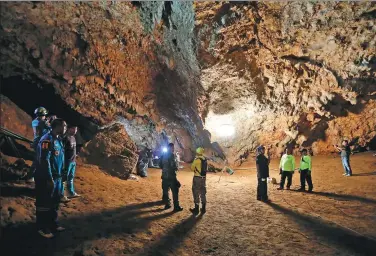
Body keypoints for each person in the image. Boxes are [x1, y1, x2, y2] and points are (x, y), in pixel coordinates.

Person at [35, 118, 67, 238]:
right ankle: (42, 227)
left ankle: (53, 224)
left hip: (57, 177)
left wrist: (62, 174)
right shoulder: (46, 139)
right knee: (44, 202)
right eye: (64, 126)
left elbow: (60, 158)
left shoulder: (58, 140)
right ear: (57, 126)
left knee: (55, 202)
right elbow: (44, 159)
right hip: (46, 177)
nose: (65, 128)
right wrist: (49, 178)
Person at [27, 107, 51, 183]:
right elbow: (51, 128)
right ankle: (30, 176)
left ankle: (34, 176)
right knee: (40, 160)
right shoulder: (43, 122)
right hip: (42, 143)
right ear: (43, 114)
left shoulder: (34, 121)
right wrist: (49, 121)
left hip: (39, 142)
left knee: (41, 159)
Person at [159, 143, 183, 212]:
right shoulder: (172, 155)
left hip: (164, 176)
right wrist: (177, 167)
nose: (173, 149)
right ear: (171, 148)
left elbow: (159, 165)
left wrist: (164, 169)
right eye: (173, 148)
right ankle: (176, 207)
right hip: (171, 177)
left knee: (166, 191)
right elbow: (173, 166)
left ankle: (167, 204)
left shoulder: (163, 155)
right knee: (175, 191)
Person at [63, 125, 80, 198]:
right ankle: (61, 194)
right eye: (73, 129)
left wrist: (75, 155)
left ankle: (71, 193)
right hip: (66, 161)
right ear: (69, 129)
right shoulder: (65, 138)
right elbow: (61, 150)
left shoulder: (73, 138)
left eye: (76, 129)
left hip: (73, 161)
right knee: (63, 178)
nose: (75, 131)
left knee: (70, 178)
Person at [190, 147, 208, 215]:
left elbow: (192, 168)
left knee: (196, 191)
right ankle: (203, 208)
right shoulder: (205, 159)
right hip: (203, 178)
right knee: (203, 192)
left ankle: (196, 209)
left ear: (197, 152)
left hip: (197, 177)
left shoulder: (197, 160)